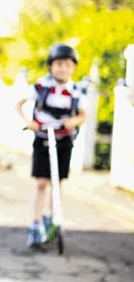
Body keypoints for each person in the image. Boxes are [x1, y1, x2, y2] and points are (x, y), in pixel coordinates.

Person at [16, 43, 87, 248]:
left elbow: (83, 114)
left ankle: (51, 216)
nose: (62, 68)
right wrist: (28, 122)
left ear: (72, 67)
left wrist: (73, 122)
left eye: (66, 64)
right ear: (50, 66)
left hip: (64, 141)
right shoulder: (41, 87)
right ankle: (35, 223)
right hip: (43, 138)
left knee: (57, 183)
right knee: (41, 182)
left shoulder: (75, 90)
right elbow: (19, 103)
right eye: (58, 64)